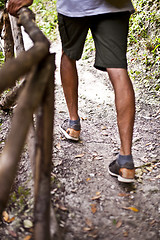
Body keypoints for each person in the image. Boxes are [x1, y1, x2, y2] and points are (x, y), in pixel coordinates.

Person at [7, 0, 135, 183]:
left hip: (74, 6)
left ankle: (73, 123)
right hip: (114, 5)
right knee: (119, 70)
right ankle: (126, 161)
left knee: (68, 55)